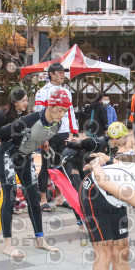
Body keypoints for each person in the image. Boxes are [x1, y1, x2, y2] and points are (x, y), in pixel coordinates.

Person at [0, 89, 71, 257]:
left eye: (65, 111)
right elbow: (2, 133)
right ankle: (8, 244)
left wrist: (42, 141)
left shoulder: (57, 125)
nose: (62, 114)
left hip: (25, 157)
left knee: (34, 197)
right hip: (8, 154)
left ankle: (40, 239)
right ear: (50, 106)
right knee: (10, 196)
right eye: (60, 110)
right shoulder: (30, 119)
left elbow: (41, 135)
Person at [61, 121, 130, 230]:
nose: (127, 140)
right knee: (78, 191)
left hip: (85, 164)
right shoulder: (96, 143)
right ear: (115, 138)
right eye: (124, 138)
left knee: (88, 190)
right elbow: (75, 144)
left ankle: (92, 219)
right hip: (70, 160)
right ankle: (81, 223)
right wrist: (70, 142)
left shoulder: (113, 148)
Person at [34, 62, 79, 212]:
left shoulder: (66, 92)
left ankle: (60, 198)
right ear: (51, 74)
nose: (62, 75)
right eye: (59, 73)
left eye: (63, 73)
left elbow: (70, 112)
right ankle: (43, 199)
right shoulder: (42, 92)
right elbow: (39, 115)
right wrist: (43, 136)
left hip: (63, 133)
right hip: (49, 133)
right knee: (46, 166)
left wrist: (74, 132)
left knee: (61, 165)